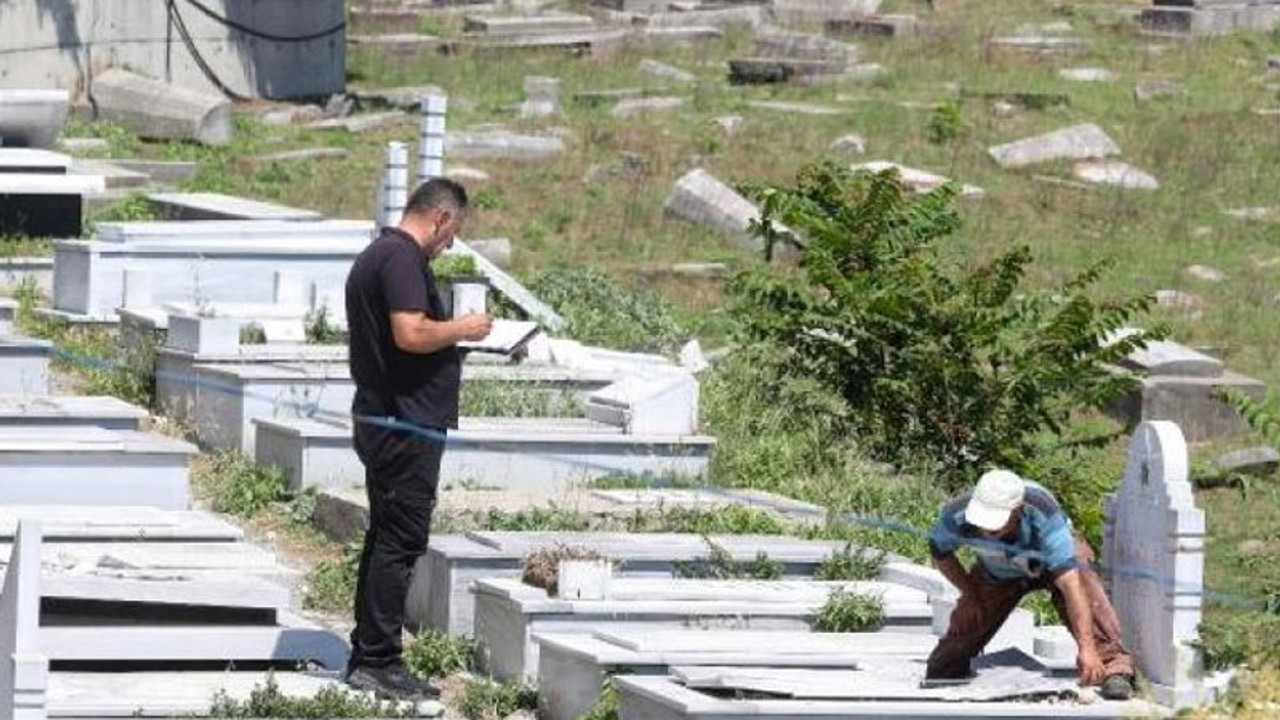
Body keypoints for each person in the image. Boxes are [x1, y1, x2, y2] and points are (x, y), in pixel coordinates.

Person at [342, 178, 492, 700]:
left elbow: (405, 345)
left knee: (386, 536)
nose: (449, 245)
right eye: (452, 234)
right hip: (402, 426)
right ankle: (379, 659)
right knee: (400, 542)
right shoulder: (401, 259)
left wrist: (454, 344)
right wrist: (463, 328)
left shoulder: (378, 256)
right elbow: (410, 333)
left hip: (388, 418)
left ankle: (369, 651)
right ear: (441, 219)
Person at [925, 469, 1137, 701]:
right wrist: (970, 593)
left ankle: (1114, 667)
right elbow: (940, 552)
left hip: (1052, 565)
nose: (986, 530)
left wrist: (1086, 648)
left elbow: (1071, 585)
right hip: (998, 572)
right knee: (945, 661)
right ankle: (949, 668)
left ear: (1017, 511)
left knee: (1083, 579)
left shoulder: (1043, 513)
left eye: (995, 525)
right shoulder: (957, 515)